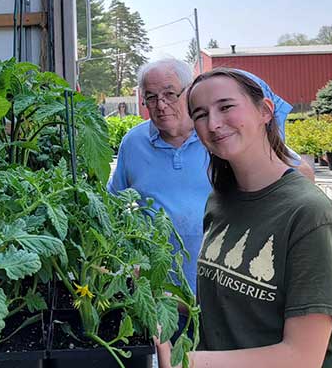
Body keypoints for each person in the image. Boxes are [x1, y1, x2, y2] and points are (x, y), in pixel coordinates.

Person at [156, 68, 332, 368]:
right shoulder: (220, 200)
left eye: (226, 106)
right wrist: (158, 301)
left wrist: (185, 361)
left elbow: (302, 357)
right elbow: (228, 303)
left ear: (265, 111)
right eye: (200, 114)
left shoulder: (309, 213)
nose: (214, 123)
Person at [107, 59, 313, 295]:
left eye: (170, 94)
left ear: (189, 92)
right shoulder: (133, 143)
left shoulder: (219, 135)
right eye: (151, 97)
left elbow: (300, 174)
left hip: (228, 286)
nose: (161, 105)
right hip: (161, 293)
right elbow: (112, 205)